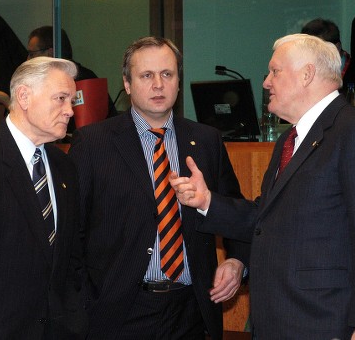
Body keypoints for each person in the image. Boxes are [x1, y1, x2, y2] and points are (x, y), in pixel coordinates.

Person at [170, 33, 355, 339]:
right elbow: (265, 219)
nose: (266, 82)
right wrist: (206, 202)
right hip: (278, 322)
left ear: (307, 74)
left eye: (275, 71)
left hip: (328, 324)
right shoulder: (289, 139)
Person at [68, 36, 250, 340]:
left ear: (179, 81)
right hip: (120, 312)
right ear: (127, 84)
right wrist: (85, 301)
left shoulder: (206, 140)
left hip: (190, 309)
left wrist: (237, 260)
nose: (158, 85)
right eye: (146, 76)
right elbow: (73, 232)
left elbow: (236, 212)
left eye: (167, 74)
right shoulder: (93, 143)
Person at [0, 57, 88, 339]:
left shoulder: (64, 166)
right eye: (61, 98)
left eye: (71, 101)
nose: (69, 111)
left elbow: (71, 257)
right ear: (24, 96)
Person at [0, 25, 118, 125]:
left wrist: (8, 102)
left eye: (32, 53)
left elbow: (46, 124)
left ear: (50, 52)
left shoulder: (83, 79)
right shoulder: (40, 83)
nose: (27, 60)